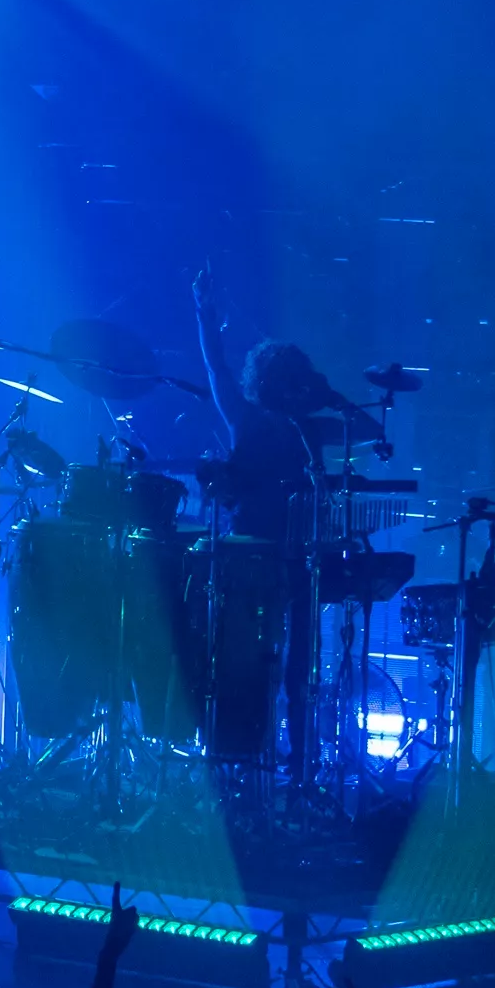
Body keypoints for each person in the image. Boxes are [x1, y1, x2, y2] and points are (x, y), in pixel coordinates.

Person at [190, 271, 359, 772]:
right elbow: (216, 367)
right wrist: (204, 313)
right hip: (249, 557)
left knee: (300, 663)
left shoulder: (310, 429)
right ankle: (241, 754)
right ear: (267, 380)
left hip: (300, 557)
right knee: (247, 657)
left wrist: (330, 396)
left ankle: (299, 763)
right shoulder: (244, 416)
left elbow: (368, 428)